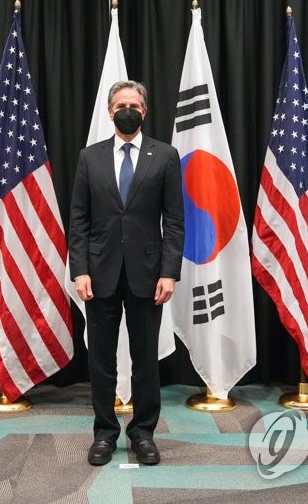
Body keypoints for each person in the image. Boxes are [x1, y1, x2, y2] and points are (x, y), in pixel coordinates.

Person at [69, 81, 184, 466]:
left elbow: (175, 221)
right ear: (110, 111)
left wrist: (169, 273)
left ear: (145, 112)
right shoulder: (90, 157)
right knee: (101, 359)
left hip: (148, 275)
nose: (128, 110)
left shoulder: (165, 156)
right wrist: (80, 269)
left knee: (145, 359)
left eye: (134, 104)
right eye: (121, 104)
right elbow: (79, 220)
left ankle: (143, 434)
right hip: (99, 275)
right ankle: (104, 434)